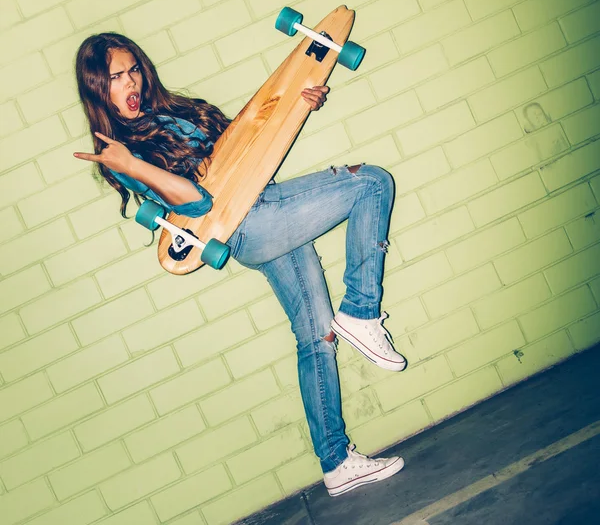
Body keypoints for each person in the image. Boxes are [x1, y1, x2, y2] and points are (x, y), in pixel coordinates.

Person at [74, 32, 407, 497]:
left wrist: (300, 106)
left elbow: (253, 148)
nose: (128, 81)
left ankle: (335, 462)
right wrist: (133, 165)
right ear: (97, 88)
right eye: (114, 76)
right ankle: (362, 310)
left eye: (132, 69)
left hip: (265, 207)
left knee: (317, 338)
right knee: (371, 183)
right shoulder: (120, 153)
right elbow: (195, 203)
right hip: (251, 223)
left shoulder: (175, 111)